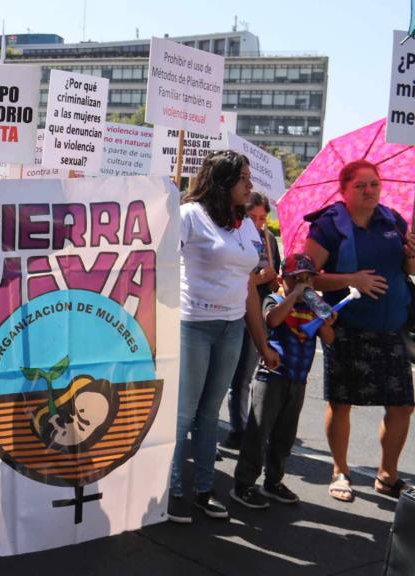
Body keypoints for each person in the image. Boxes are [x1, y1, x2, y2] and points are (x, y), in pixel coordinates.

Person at [169, 150, 280, 524]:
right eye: (244, 178)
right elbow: (160, 266)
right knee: (183, 414)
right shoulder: (188, 216)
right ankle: (169, 493)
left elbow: (248, 286)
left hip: (232, 328)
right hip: (193, 325)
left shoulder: (244, 223)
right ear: (223, 181)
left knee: (208, 414)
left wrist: (261, 341)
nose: (251, 184)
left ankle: (203, 490)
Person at [303, 159, 415, 503]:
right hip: (347, 328)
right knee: (342, 403)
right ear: (344, 190)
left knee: (402, 406)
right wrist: (352, 280)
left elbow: (408, 269)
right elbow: (305, 278)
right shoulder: (328, 226)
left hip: (392, 327)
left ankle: (387, 475)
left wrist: (412, 255)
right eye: (360, 186)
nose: (369, 191)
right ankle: (340, 471)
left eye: (374, 185)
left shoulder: (393, 221)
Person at [231, 254, 336, 508]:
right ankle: (244, 484)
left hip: (298, 380)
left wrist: (324, 316)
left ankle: (273, 480)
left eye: (308, 278)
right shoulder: (275, 299)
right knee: (259, 432)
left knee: (284, 436)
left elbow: (330, 338)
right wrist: (293, 295)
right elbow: (272, 319)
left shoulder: (311, 309)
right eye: (296, 278)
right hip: (272, 377)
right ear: (282, 279)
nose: (303, 283)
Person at [224, 192, 282, 449]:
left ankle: (239, 428)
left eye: (263, 217)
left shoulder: (269, 239)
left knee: (244, 378)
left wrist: (272, 280)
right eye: (253, 217)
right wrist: (257, 278)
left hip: (257, 316)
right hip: (233, 312)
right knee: (222, 376)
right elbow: (233, 278)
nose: (259, 223)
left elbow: (272, 280)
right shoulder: (234, 237)